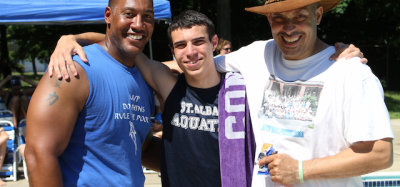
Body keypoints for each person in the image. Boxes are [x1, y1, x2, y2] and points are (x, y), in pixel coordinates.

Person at [48, 10, 364, 187]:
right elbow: (117, 44)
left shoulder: (246, 85)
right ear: (172, 52)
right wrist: (71, 38)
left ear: (214, 43)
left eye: (198, 42)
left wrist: (331, 54)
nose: (191, 52)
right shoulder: (168, 83)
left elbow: (295, 61)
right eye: (181, 46)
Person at [213, 0, 393, 186]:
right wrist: (159, 69)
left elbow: (380, 153)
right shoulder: (257, 55)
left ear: (317, 16)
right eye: (279, 18)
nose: (289, 28)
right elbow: (192, 65)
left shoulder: (350, 73)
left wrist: (301, 170)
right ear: (269, 19)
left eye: (300, 16)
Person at [24, 0, 156, 187]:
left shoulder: (145, 77)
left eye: (147, 17)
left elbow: (139, 148)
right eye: (129, 14)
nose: (139, 24)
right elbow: (38, 153)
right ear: (108, 15)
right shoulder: (72, 70)